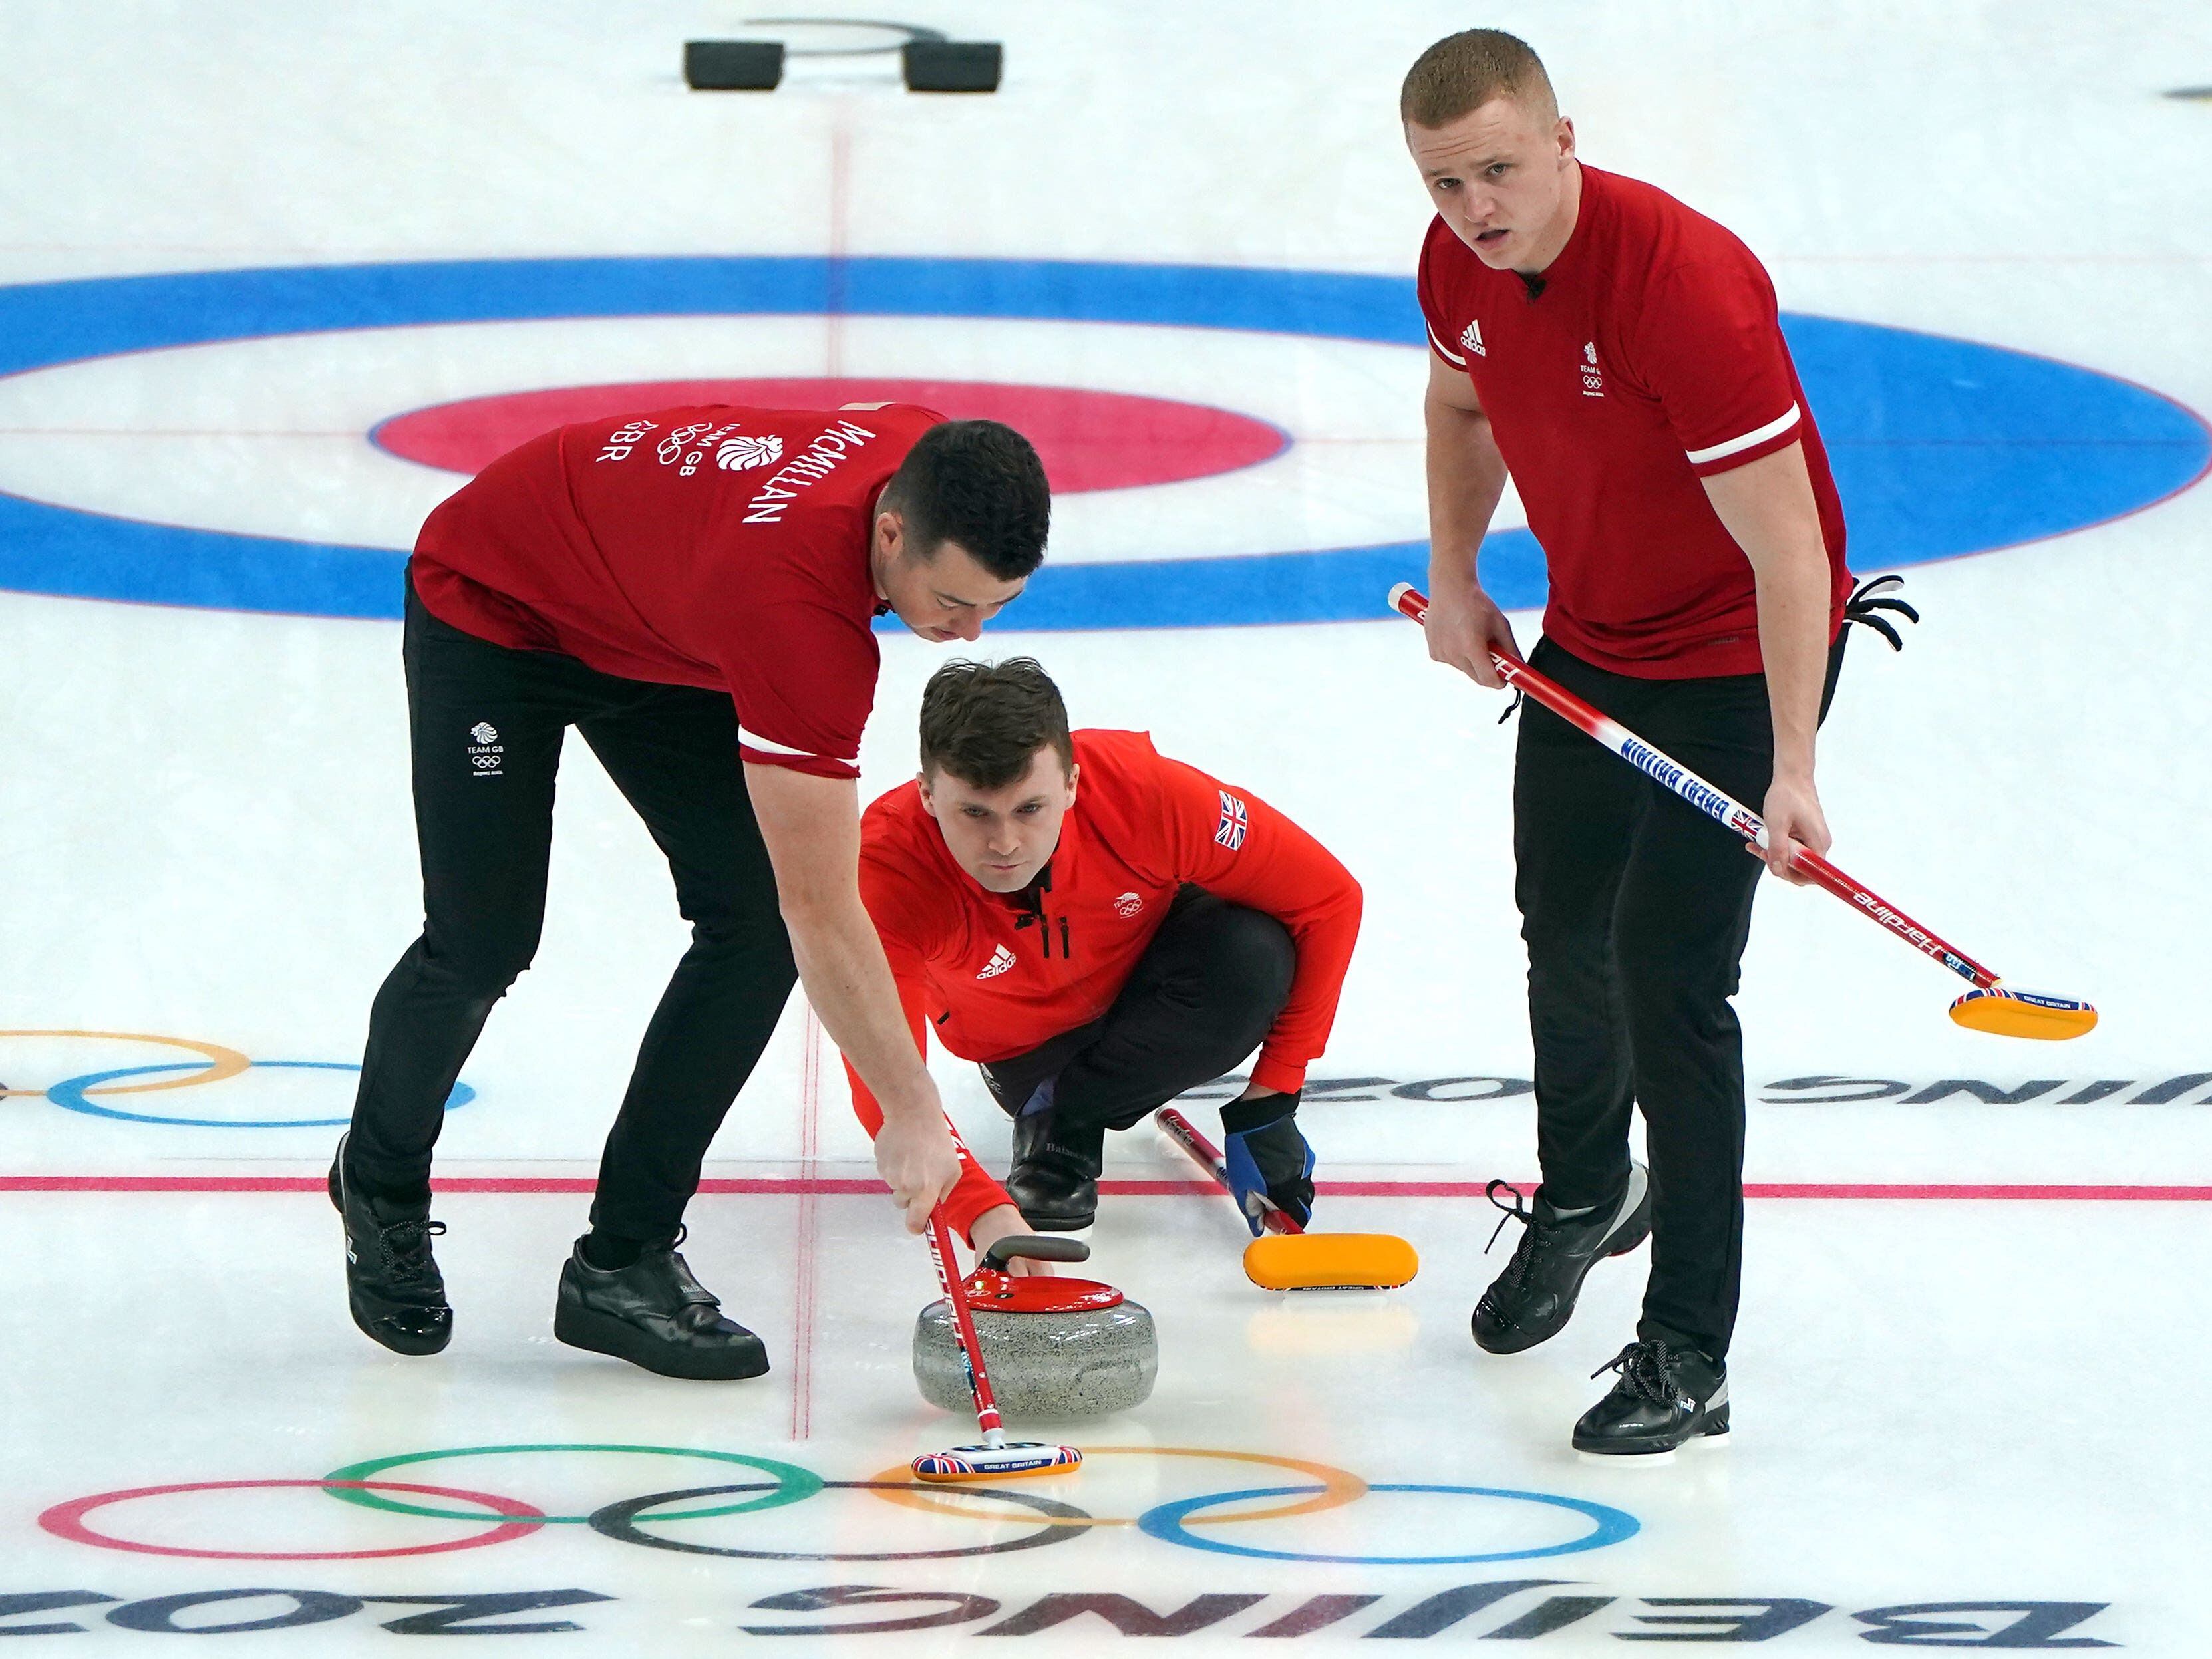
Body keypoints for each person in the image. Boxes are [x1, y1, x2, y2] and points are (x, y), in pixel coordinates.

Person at [332, 401, 1050, 1380]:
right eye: (953, 601)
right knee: (483, 939)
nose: (967, 636)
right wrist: (916, 1113)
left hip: (654, 616)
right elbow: (826, 908)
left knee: (748, 923)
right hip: (499, 607)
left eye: (997, 608)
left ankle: (621, 1261)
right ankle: (377, 1185)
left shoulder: (928, 454)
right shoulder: (798, 623)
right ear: (892, 529)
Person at [1402, 29, 1861, 1453]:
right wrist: (1462, 572)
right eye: (1442, 180)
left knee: (1670, 976)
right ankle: (1587, 1186)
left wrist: (1792, 766)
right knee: (1562, 924)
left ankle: (1686, 1349)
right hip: (1594, 630)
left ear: (1564, 140)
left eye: (1496, 168)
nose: (1475, 206)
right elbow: (1462, 399)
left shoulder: (1683, 290)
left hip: (1737, 655)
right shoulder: (1455, 268)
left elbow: (1791, 551)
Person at [842, 657, 1362, 1263]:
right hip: (1023, 1051)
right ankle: (1055, 1111)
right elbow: (883, 1078)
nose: (1005, 844)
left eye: (1030, 809)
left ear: (1071, 784)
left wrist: (1274, 1094)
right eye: (975, 813)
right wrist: (984, 1215)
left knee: (1254, 953)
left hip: (1151, 972)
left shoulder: (1144, 795)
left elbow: (1328, 902)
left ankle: (1072, 1109)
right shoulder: (888, 871)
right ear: (928, 795)